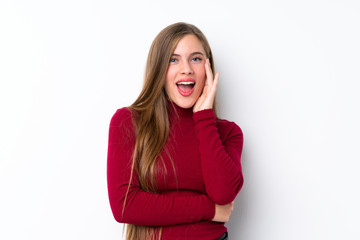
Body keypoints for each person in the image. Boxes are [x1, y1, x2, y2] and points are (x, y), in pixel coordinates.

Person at [107, 22, 244, 240]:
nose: (187, 68)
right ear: (159, 69)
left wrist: (204, 119)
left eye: (196, 58)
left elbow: (224, 193)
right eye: (173, 59)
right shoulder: (128, 122)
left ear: (208, 69)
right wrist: (209, 209)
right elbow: (124, 205)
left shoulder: (228, 132)